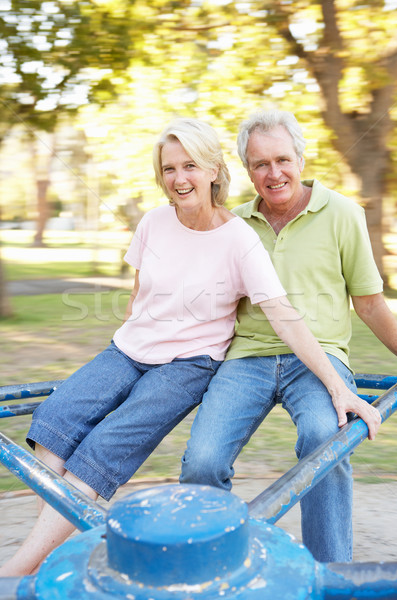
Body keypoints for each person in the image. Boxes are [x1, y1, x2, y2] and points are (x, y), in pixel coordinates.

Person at [1, 117, 377, 577]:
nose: (179, 179)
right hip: (130, 352)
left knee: (98, 452)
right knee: (53, 422)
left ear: (215, 170)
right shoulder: (154, 222)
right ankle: (57, 547)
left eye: (191, 166)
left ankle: (18, 571)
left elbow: (283, 313)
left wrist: (339, 387)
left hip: (190, 363)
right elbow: (139, 297)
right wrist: (119, 363)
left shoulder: (240, 237)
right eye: (169, 169)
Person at [180, 109, 396, 563]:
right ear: (247, 170)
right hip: (247, 359)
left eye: (282, 159)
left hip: (319, 359)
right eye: (260, 164)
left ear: (300, 157)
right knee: (201, 460)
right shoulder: (232, 223)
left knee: (325, 438)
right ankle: (211, 566)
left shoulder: (343, 214)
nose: (273, 173)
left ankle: (331, 573)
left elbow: (370, 302)